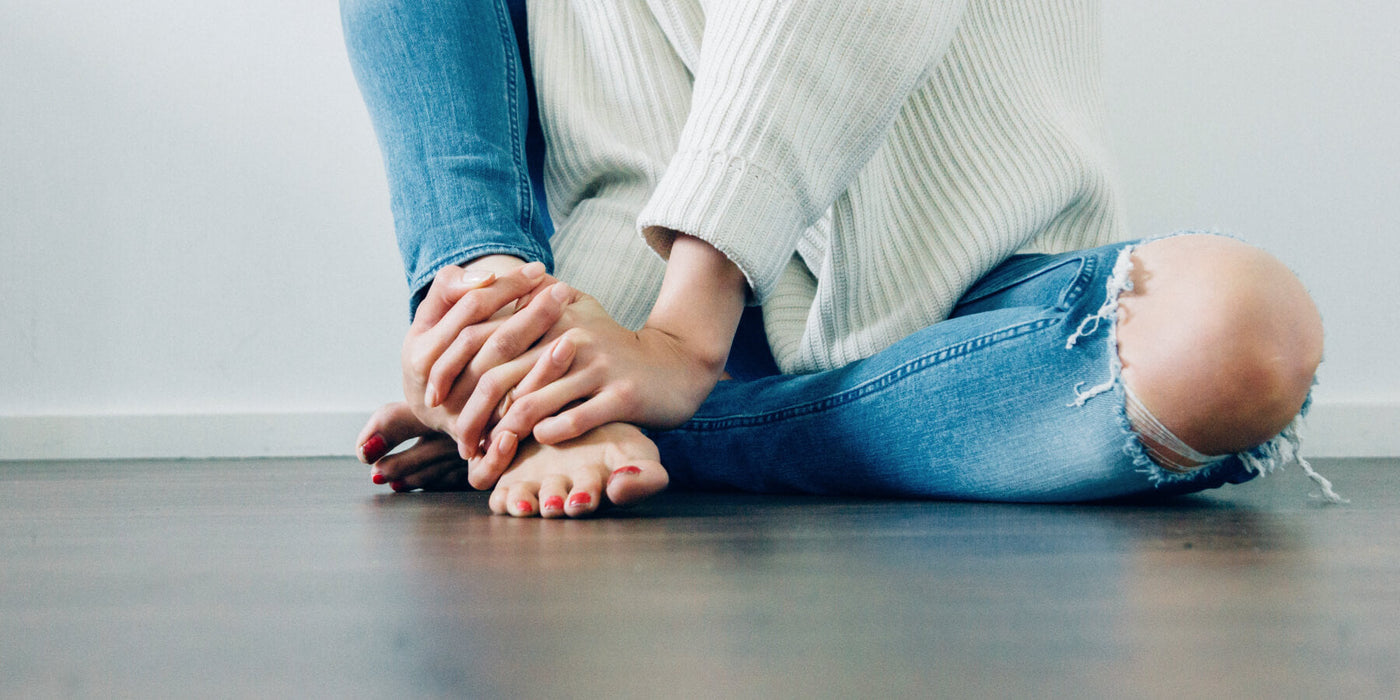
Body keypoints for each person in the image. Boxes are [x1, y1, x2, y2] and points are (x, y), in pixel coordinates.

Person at [341, 0, 1337, 518]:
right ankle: (495, 346)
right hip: (605, 302)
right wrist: (490, 307)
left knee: (1240, 332)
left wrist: (683, 336)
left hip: (962, 293)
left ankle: (597, 415)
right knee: (489, 308)